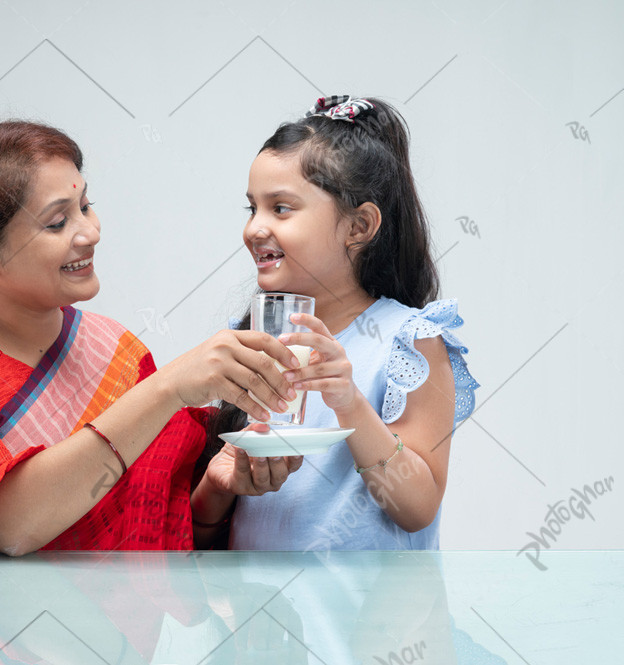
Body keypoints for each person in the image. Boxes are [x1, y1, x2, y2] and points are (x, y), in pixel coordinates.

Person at [0, 121, 304, 555]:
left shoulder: (114, 350)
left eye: (86, 206)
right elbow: (11, 525)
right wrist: (168, 387)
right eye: (58, 222)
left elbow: (154, 537)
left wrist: (215, 489)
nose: (90, 233)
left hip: (114, 627)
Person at [203, 96, 480, 549]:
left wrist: (348, 400)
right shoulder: (251, 338)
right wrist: (218, 486)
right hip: (261, 615)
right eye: (252, 208)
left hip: (366, 619)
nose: (255, 228)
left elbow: (418, 506)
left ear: (359, 226)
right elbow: (210, 524)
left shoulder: (408, 341)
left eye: (281, 208)